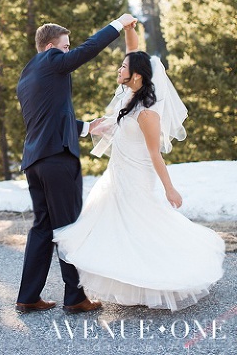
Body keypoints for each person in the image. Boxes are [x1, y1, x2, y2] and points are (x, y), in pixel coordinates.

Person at [52, 22, 225, 310]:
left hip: (136, 178)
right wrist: (129, 26)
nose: (118, 70)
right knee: (121, 230)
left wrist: (170, 189)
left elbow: (155, 155)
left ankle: (164, 277)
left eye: (122, 67)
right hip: (117, 175)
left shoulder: (147, 113)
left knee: (142, 228)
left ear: (136, 76)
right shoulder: (130, 97)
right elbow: (133, 50)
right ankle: (134, 288)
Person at [14, 13, 136, 314]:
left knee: (42, 227)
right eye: (65, 46)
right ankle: (75, 297)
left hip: (35, 161)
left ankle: (28, 296)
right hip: (57, 161)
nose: (69, 51)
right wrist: (119, 24)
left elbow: (49, 117)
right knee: (69, 226)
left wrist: (86, 127)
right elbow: (89, 49)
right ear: (50, 47)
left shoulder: (28, 75)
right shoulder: (53, 59)